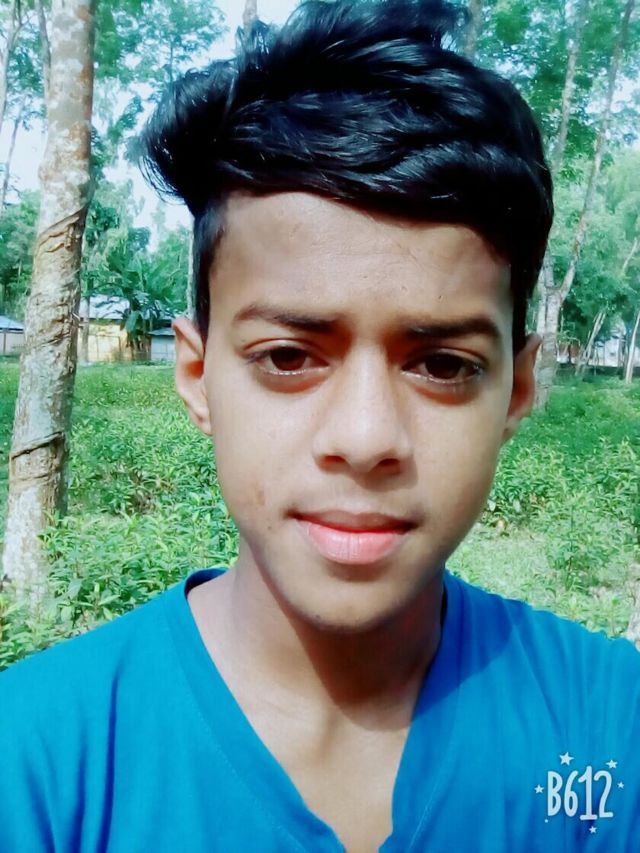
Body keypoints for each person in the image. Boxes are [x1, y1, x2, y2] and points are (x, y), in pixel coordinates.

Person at [1, 1, 638, 851]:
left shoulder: (611, 734)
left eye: (443, 364)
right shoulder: (36, 764)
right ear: (197, 376)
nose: (366, 437)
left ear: (518, 389)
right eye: (289, 356)